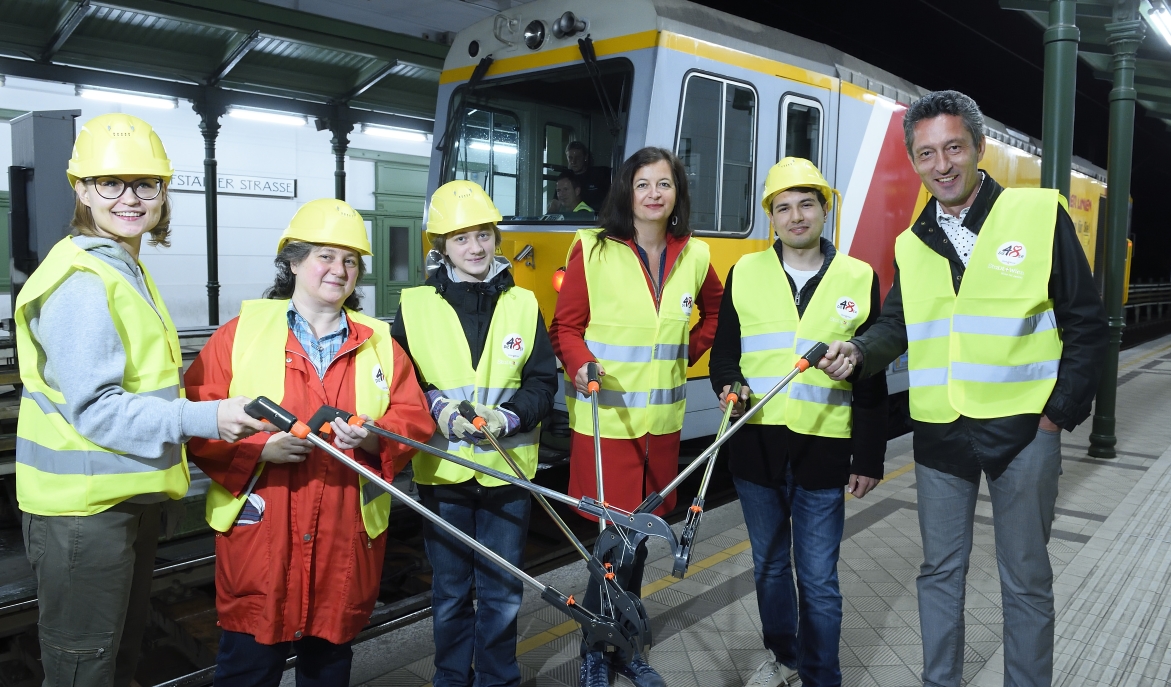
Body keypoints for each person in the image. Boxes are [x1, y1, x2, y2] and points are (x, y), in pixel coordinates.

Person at [819, 90, 1108, 687]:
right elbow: (896, 323)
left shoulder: (1036, 215)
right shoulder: (911, 241)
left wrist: (1059, 412)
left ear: (978, 148)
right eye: (926, 153)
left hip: (1025, 431)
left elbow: (1085, 320)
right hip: (941, 430)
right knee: (939, 572)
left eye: (953, 147)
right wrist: (859, 352)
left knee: (1025, 577)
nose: (941, 164)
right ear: (914, 162)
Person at [13, 113, 266, 687]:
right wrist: (212, 417)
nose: (130, 198)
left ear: (162, 192)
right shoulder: (82, 281)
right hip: (83, 511)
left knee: (118, 659)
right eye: (111, 183)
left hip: (121, 497)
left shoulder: (124, 269)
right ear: (81, 188)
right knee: (85, 668)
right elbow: (98, 409)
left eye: (145, 184)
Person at [185, 198, 433, 686]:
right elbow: (198, 417)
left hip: (343, 538)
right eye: (325, 255)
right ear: (294, 261)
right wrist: (260, 450)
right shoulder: (240, 336)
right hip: (264, 536)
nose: (338, 270)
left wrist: (371, 438)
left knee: (328, 669)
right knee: (247, 669)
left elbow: (413, 418)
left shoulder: (380, 342)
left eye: (350, 260)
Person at [709, 157, 886, 687]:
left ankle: (820, 676)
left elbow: (871, 378)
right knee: (766, 566)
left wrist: (871, 457)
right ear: (772, 217)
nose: (796, 215)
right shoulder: (745, 272)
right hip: (755, 449)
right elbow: (724, 357)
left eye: (806, 203)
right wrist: (729, 384)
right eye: (783, 207)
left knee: (818, 577)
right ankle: (783, 657)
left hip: (824, 451)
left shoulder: (858, 276)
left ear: (824, 210)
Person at [549, 146, 723, 687]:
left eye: (664, 184)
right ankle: (599, 649)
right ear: (627, 192)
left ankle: (621, 640)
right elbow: (566, 329)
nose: (653, 194)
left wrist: (688, 349)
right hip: (608, 423)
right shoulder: (593, 248)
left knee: (639, 537)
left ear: (677, 194)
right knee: (610, 542)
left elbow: (715, 308)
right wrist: (580, 367)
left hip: (661, 428)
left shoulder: (694, 255)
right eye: (643, 184)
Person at [392, 179, 557, 687]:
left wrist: (512, 418)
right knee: (450, 590)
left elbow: (542, 380)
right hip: (443, 472)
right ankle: (450, 678)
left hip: (507, 473)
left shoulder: (524, 304)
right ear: (441, 248)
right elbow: (402, 380)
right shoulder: (415, 305)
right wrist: (437, 406)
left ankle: (497, 679)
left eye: (483, 235)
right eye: (461, 238)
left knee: (503, 588)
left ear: (495, 238)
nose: (476, 247)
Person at [565, 141, 611, 210]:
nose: (573, 161)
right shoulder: (565, 178)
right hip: (574, 219)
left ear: (585, 157)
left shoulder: (601, 173)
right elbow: (555, 205)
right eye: (570, 158)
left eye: (577, 157)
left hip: (599, 217)